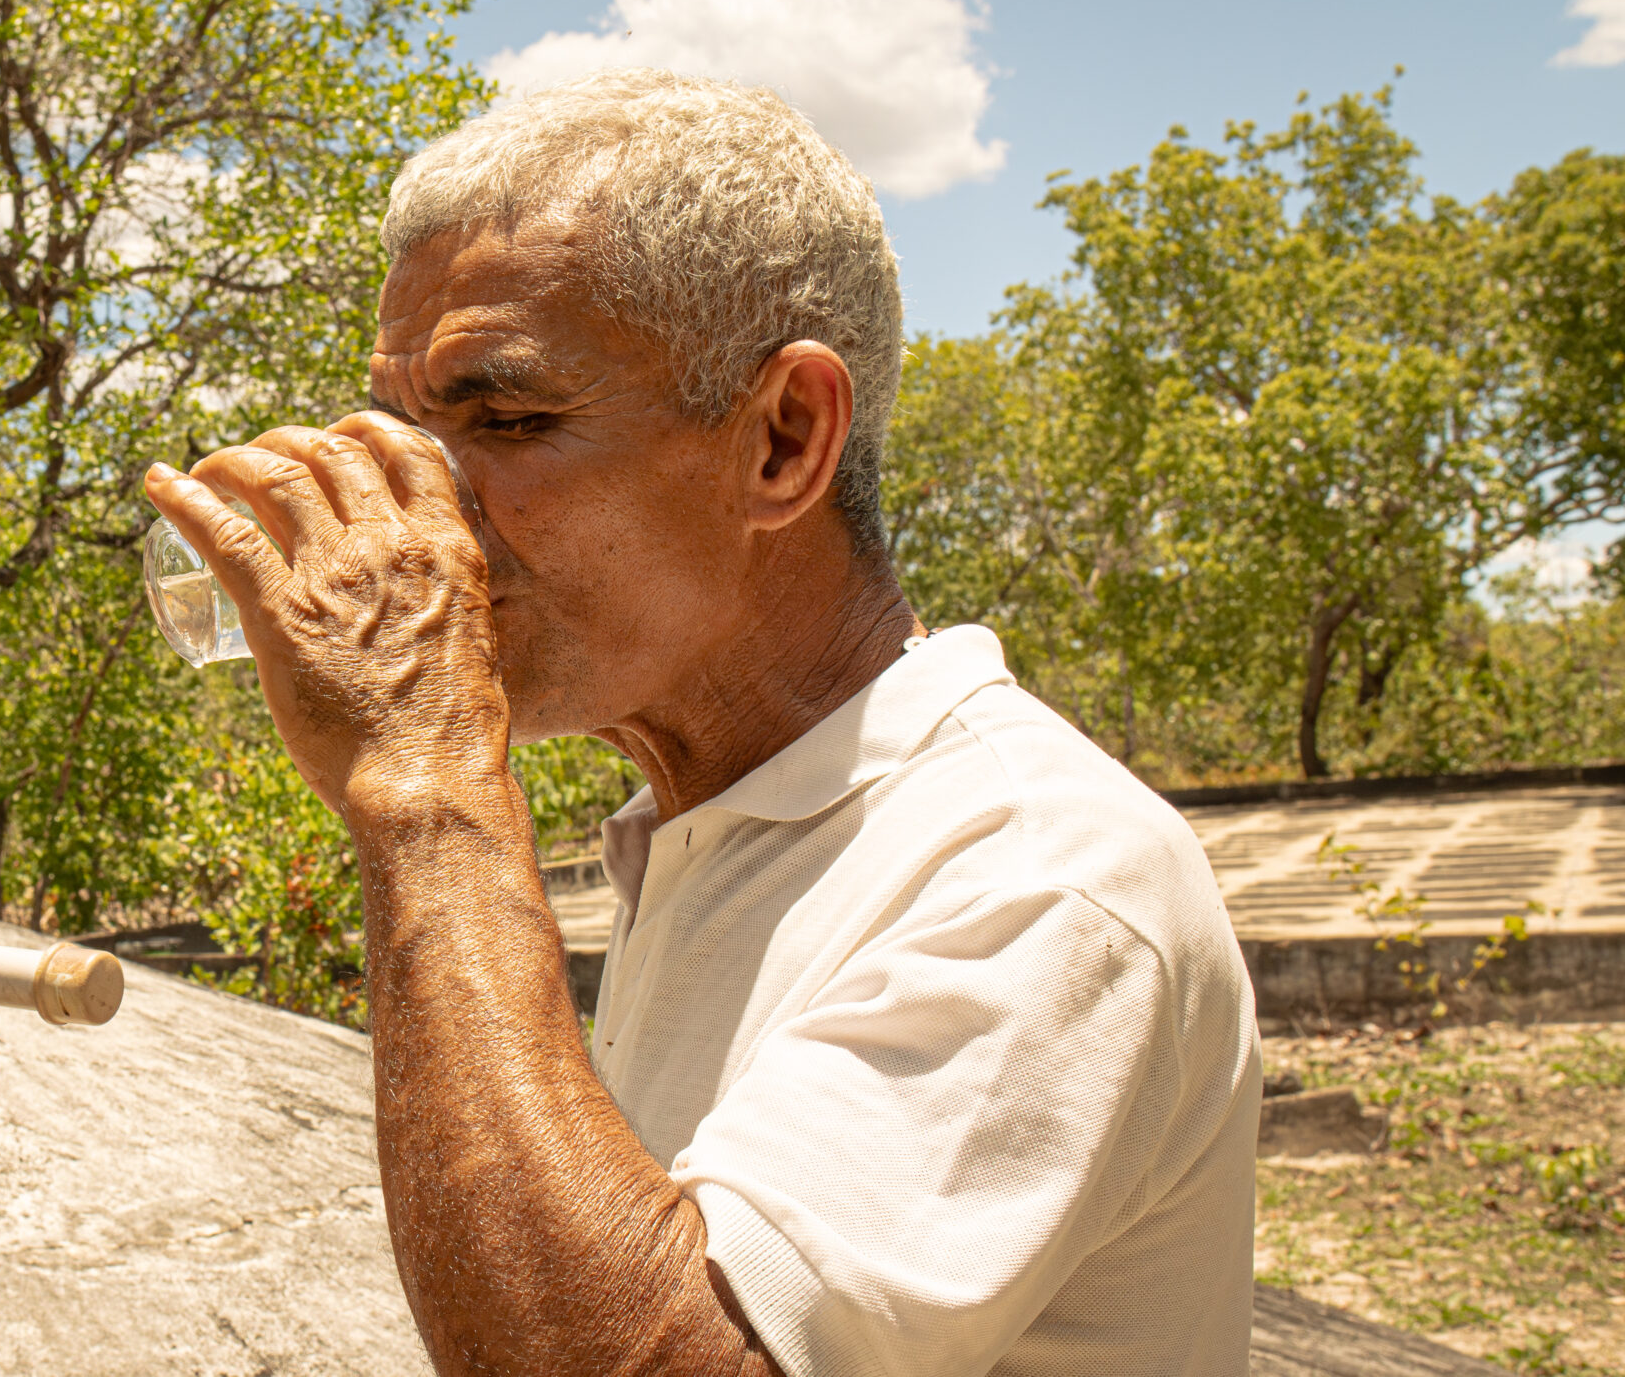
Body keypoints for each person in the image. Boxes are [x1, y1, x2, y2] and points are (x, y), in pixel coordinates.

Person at [144, 69, 1259, 1377]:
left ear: (783, 439)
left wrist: (426, 791)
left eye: (505, 419)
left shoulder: (1039, 876)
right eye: (402, 435)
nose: (419, 515)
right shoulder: (708, 829)